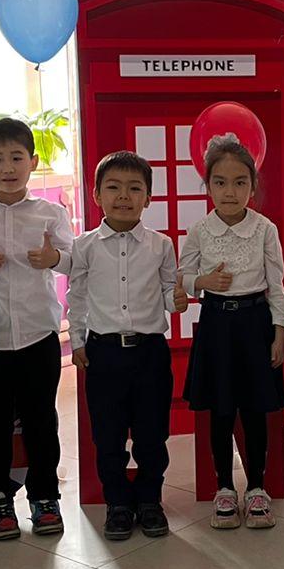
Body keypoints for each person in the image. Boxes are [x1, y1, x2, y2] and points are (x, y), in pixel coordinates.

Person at [0, 118, 73, 541]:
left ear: (33, 162)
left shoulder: (51, 213)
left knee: (41, 420)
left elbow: (75, 260)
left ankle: (45, 498)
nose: (8, 167)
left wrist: (53, 259)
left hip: (39, 335)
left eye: (17, 158)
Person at [68, 151, 189, 541]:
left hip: (150, 352)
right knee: (108, 434)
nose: (124, 196)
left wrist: (177, 300)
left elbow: (169, 290)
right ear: (96, 195)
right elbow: (77, 295)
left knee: (152, 433)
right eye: (113, 187)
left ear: (148, 198)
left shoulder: (160, 245)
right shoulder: (84, 246)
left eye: (134, 188)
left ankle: (150, 500)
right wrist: (77, 340)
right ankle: (118, 503)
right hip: (103, 353)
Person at [179, 134, 284, 529]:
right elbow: (182, 277)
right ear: (208, 186)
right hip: (216, 326)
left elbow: (277, 284)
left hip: (255, 324)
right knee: (221, 409)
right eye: (220, 182)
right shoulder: (199, 230)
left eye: (240, 182)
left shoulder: (264, 229)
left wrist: (279, 332)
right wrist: (203, 281)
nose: (230, 191)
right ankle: (224, 488)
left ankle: (257, 487)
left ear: (252, 186)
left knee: (255, 409)